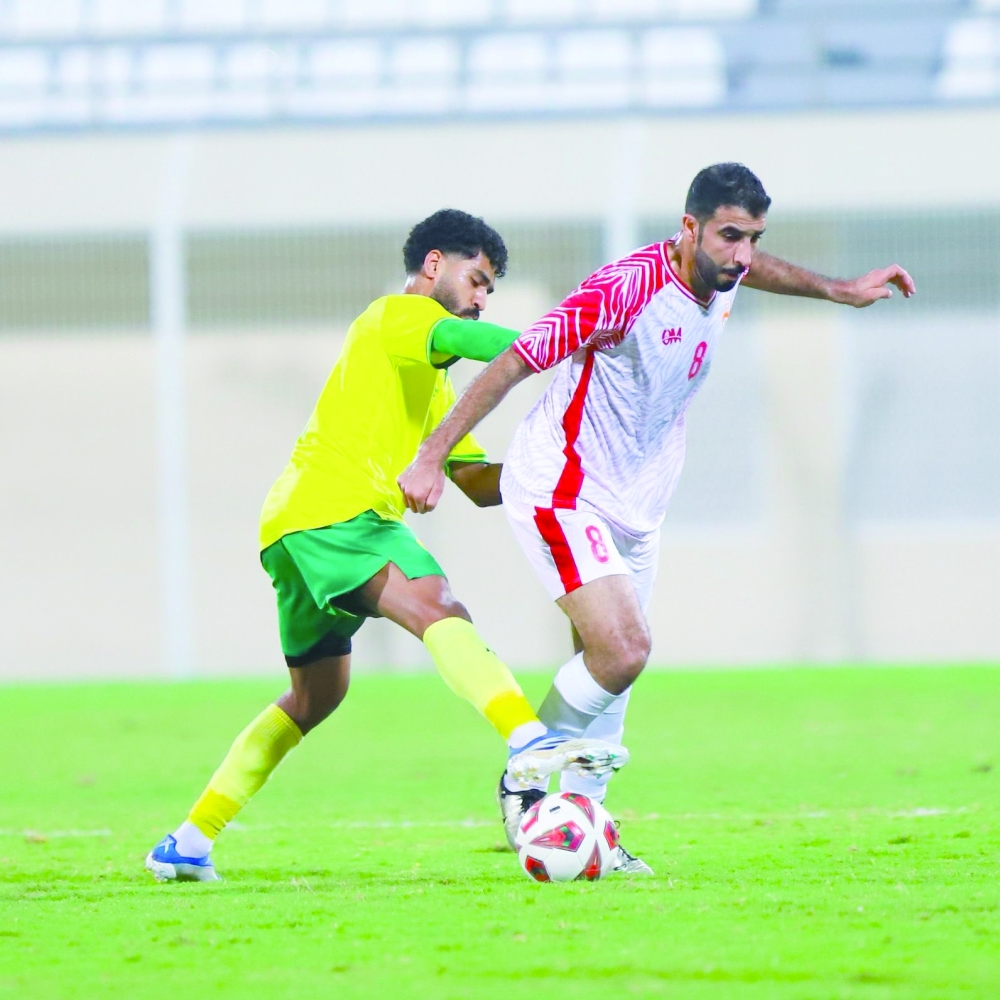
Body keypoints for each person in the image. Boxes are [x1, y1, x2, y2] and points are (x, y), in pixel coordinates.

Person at [398, 165, 916, 873]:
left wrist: (837, 289)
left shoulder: (727, 271)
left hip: (639, 500)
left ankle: (590, 830)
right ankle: (525, 776)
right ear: (688, 228)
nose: (742, 255)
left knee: (613, 672)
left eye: (753, 238)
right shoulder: (624, 289)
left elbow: (754, 267)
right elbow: (516, 361)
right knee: (624, 650)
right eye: (729, 236)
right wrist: (432, 455)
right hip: (564, 486)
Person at [145, 209, 627, 883]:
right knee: (438, 606)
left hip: (295, 527)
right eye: (477, 279)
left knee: (314, 697)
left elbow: (477, 483)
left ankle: (187, 843)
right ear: (434, 265)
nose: (481, 298)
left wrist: (572, 467)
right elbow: (471, 337)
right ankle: (528, 738)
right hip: (336, 515)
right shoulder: (396, 317)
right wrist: (565, 339)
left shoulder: (434, 384)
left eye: (489, 289)